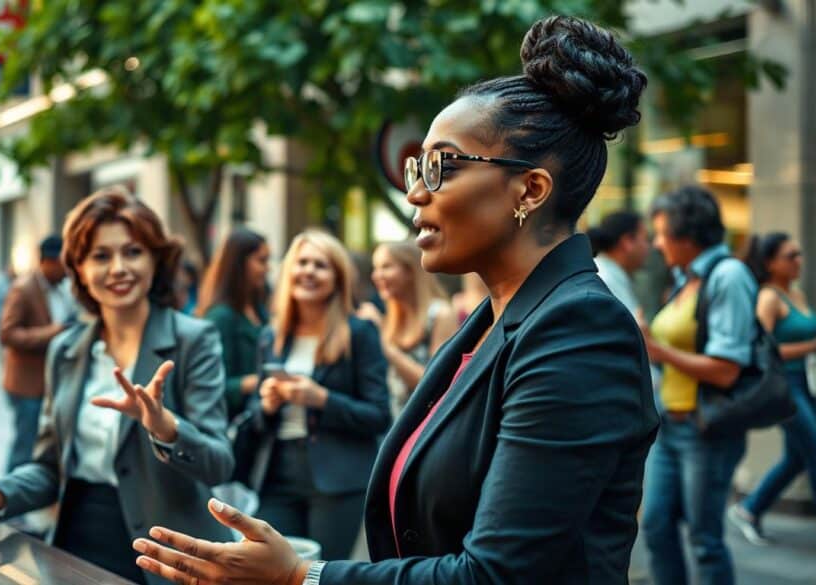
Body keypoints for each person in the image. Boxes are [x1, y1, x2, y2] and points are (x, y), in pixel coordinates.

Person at [131, 16, 656, 585]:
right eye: (416, 166)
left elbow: (497, 575)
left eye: (442, 166)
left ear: (529, 189)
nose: (414, 192)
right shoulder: (496, 318)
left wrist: (300, 577)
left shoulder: (579, 328)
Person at [0, 187, 234, 585]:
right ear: (80, 269)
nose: (118, 267)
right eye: (101, 256)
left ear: (156, 259)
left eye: (133, 251)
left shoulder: (195, 339)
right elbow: (48, 467)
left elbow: (220, 463)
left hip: (169, 552)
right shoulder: (66, 349)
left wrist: (167, 429)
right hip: (78, 543)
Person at [240, 229, 389, 561]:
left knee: (318, 575)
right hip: (277, 475)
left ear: (337, 278)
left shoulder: (360, 333)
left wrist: (321, 398)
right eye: (302, 262)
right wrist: (266, 405)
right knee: (267, 570)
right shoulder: (271, 337)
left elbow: (380, 415)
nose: (308, 271)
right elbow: (254, 418)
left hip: (337, 482)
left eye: (320, 265)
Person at [640, 186, 759, 585]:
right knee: (655, 527)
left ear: (686, 234)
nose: (656, 243)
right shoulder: (683, 278)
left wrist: (657, 350)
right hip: (670, 425)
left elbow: (726, 368)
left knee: (705, 540)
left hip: (705, 428)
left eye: (661, 233)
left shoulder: (728, 276)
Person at [728, 232, 816, 544]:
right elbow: (761, 350)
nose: (799, 261)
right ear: (770, 262)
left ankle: (750, 509)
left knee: (798, 458)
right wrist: (813, 345)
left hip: (808, 382)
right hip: (784, 387)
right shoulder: (768, 298)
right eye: (791, 256)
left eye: (799, 254)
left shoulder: (797, 293)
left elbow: (804, 340)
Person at [0, 235, 76, 472]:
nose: (68, 271)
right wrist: (51, 333)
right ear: (49, 262)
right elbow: (7, 333)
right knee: (25, 444)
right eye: (64, 264)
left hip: (50, 381)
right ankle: (8, 501)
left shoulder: (60, 289)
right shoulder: (23, 289)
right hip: (27, 384)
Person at [357, 241, 458, 417]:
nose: (376, 276)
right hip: (391, 428)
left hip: (424, 425)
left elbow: (436, 384)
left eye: (386, 267)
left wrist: (384, 344)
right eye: (375, 268)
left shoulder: (440, 314)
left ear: (411, 271)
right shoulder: (389, 318)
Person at [196, 228, 271, 419]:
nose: (267, 268)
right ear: (240, 263)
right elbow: (213, 385)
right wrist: (259, 382)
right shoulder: (221, 317)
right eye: (261, 261)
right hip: (234, 426)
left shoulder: (259, 309)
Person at [588, 210, 649, 319]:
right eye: (645, 239)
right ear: (627, 242)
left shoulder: (607, 272)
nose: (648, 246)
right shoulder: (606, 279)